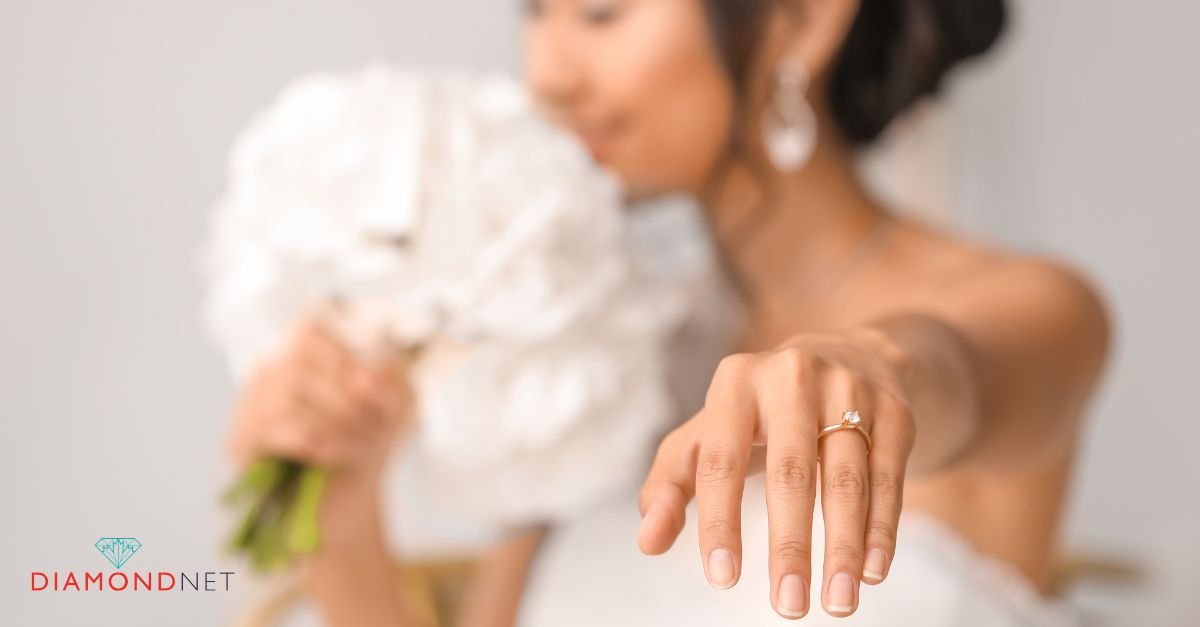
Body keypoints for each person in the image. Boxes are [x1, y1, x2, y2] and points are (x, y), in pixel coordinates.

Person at [223, 0, 1112, 624]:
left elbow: (963, 377)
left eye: (601, 12)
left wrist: (881, 376)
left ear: (803, 16)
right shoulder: (598, 356)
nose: (549, 72)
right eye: (538, 9)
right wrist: (342, 517)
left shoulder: (1033, 307)